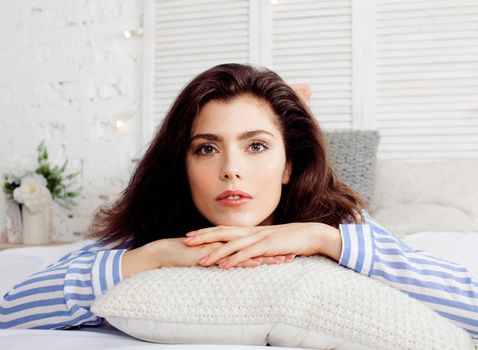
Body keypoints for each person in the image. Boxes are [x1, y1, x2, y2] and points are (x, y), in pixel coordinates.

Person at [1, 63, 477, 340]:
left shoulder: (341, 224)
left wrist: (323, 239)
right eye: (207, 148)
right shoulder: (147, 233)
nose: (231, 169)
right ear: (182, 165)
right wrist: (154, 255)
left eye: (256, 146)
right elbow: (9, 313)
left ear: (289, 165)